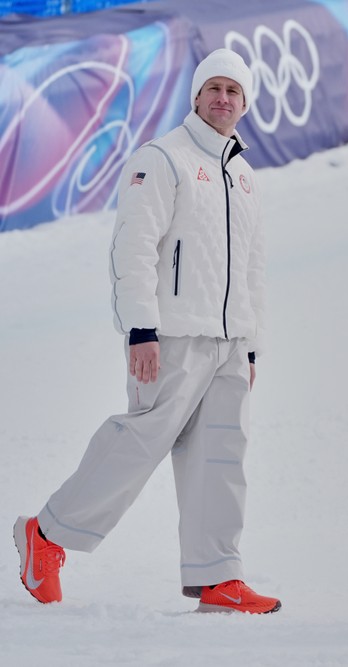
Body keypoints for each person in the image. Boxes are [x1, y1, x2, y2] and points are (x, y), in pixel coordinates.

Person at [14, 49, 279, 614]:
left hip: (230, 342)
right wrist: (141, 329)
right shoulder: (162, 159)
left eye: (235, 91)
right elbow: (134, 247)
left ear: (245, 103)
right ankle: (46, 534)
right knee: (138, 444)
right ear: (197, 96)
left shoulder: (245, 176)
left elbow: (253, 266)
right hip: (174, 335)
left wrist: (252, 343)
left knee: (222, 456)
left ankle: (218, 576)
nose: (224, 99)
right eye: (214, 88)